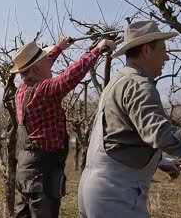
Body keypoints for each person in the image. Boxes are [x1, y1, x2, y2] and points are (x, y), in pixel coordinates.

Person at [78, 20, 181, 218]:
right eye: (163, 49)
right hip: (116, 195)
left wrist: (158, 160)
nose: (167, 57)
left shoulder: (118, 82)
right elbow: (163, 135)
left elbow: (119, 136)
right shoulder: (139, 85)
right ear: (146, 50)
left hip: (94, 191)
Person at [11, 36, 116, 218]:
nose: (49, 63)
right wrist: (96, 51)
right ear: (36, 68)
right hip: (43, 170)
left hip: (25, 167)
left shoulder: (22, 89)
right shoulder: (42, 90)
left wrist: (59, 48)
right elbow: (69, 77)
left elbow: (43, 64)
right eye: (45, 60)